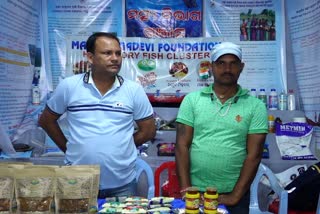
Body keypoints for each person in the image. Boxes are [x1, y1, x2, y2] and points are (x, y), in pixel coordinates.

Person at [39, 32, 156, 198]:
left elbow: (149, 131)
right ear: (90, 57)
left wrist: (122, 146)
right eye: (107, 53)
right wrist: (69, 148)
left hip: (122, 184)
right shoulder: (69, 86)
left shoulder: (133, 90)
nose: (115, 58)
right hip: (77, 181)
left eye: (117, 53)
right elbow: (46, 120)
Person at [175, 42, 268, 213]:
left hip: (235, 195)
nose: (227, 69)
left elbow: (254, 155)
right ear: (211, 67)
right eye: (221, 63)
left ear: (241, 67)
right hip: (195, 193)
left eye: (233, 63)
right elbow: (181, 146)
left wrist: (235, 196)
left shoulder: (255, 106)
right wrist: (186, 189)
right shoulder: (192, 100)